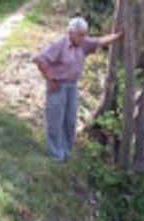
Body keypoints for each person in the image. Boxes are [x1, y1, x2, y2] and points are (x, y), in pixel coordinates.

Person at [34, 18, 121, 162]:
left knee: (70, 120)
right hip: (58, 85)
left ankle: (66, 151)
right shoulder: (60, 44)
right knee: (55, 119)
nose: (83, 38)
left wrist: (117, 36)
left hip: (72, 86)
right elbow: (40, 59)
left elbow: (99, 41)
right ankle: (55, 154)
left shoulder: (84, 43)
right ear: (70, 33)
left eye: (84, 34)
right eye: (80, 35)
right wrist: (50, 79)